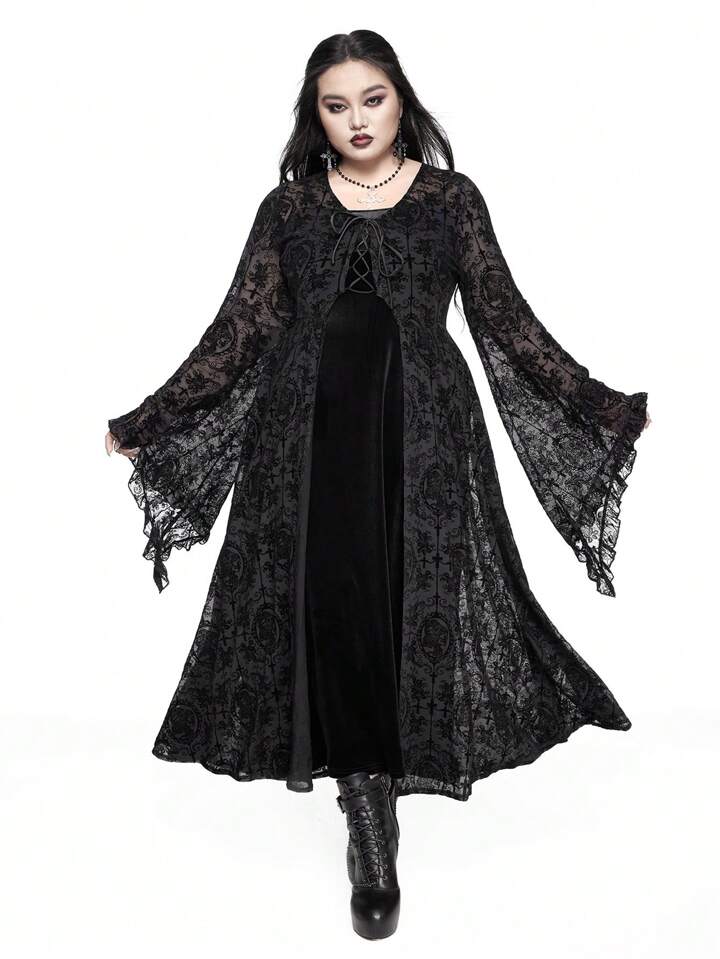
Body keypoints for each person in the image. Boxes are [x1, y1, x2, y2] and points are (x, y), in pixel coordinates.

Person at [105, 30, 651, 940]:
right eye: (336, 105)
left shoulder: (450, 200)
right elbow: (236, 335)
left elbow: (507, 321)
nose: (357, 120)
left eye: (373, 98)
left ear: (401, 99)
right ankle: (367, 812)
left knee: (404, 596)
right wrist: (148, 421)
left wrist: (599, 404)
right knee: (334, 598)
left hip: (424, 434)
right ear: (315, 117)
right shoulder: (287, 210)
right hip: (304, 438)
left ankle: (386, 773)